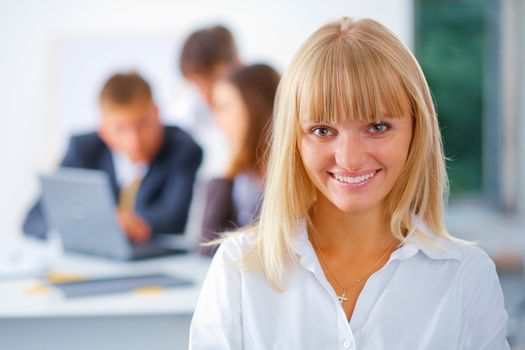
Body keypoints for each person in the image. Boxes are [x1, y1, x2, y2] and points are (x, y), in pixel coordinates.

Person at [189, 17, 509, 349]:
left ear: (416, 130)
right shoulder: (238, 271)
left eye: (378, 127)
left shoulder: (465, 276)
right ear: (293, 141)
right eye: (322, 131)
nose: (350, 158)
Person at [23, 72, 202, 243]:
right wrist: (96, 225)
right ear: (104, 131)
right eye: (120, 129)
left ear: (156, 114)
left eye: (142, 124)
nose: (134, 140)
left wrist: (121, 224)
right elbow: (34, 220)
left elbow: (172, 219)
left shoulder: (182, 148)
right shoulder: (82, 151)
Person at [199, 64, 280, 256]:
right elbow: (208, 245)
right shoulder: (242, 175)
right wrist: (227, 173)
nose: (218, 121)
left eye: (225, 108)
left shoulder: (289, 174)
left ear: (255, 109)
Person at [173, 25, 244, 179]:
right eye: (197, 85)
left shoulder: (268, 107)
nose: (206, 95)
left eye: (212, 80)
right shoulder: (194, 117)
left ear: (239, 64)